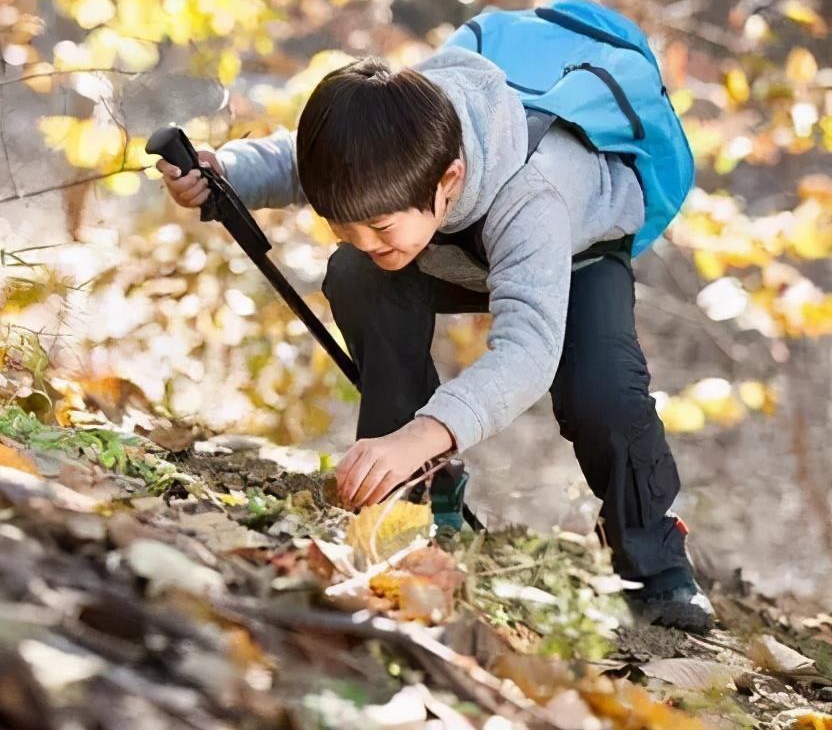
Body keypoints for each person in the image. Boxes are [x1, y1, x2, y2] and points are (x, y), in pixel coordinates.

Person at [157, 48, 714, 632]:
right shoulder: (394, 140)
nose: (363, 238)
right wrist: (223, 172)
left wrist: (422, 433)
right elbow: (303, 163)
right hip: (446, 247)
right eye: (343, 224)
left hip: (575, 255)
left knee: (601, 393)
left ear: (448, 181)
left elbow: (527, 353)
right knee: (358, 274)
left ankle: (657, 566)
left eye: (377, 226)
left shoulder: (534, 196)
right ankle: (414, 500)